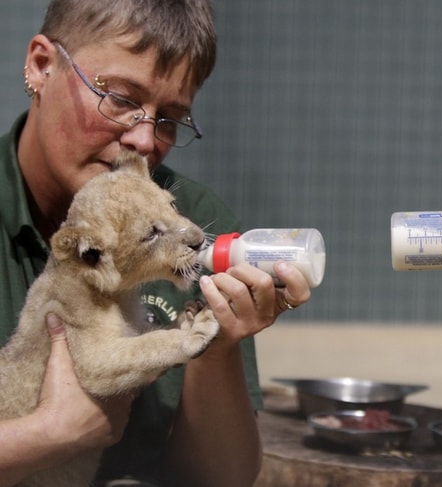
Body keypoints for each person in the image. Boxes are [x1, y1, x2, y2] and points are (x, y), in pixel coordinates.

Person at [0, 1, 311, 486]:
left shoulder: (191, 213)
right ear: (42, 66)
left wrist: (218, 347)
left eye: (169, 118)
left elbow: (220, 479)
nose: (145, 140)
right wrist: (53, 433)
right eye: (120, 99)